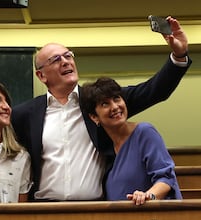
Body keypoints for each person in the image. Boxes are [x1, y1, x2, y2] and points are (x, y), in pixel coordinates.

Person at [11, 16, 191, 201]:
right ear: (41, 76)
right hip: (44, 210)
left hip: (94, 209)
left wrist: (179, 55)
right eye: (56, 59)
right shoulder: (23, 115)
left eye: (68, 55)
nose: (65, 61)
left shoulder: (99, 101)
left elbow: (155, 91)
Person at [80, 77, 182, 205]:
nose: (115, 107)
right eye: (105, 104)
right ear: (94, 117)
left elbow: (166, 178)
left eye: (116, 98)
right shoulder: (106, 152)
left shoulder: (144, 133)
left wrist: (148, 196)